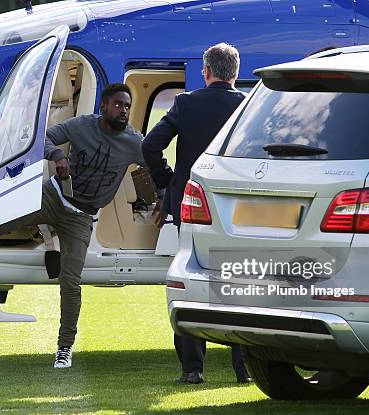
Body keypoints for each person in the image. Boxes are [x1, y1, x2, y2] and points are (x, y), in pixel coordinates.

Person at [0, 83, 154, 369]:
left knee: (71, 281)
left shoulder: (133, 142)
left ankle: (64, 348)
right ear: (103, 106)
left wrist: (163, 196)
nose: (124, 111)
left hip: (80, 217)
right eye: (118, 105)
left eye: (127, 106)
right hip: (53, 196)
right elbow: (39, 139)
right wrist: (57, 155)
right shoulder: (82, 125)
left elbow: (155, 163)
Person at [141, 43, 250, 384]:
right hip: (239, 209)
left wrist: (169, 184)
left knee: (191, 283)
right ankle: (244, 370)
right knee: (240, 289)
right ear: (235, 72)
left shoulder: (186, 103)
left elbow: (150, 145)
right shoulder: (248, 107)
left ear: (206, 72)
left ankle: (192, 369)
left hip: (192, 206)